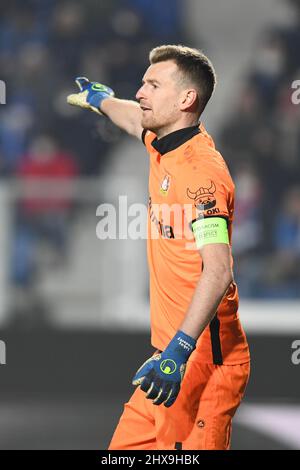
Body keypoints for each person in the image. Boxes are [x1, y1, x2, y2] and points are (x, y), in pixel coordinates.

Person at [67, 44, 250, 450]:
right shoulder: (161, 141)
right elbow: (133, 118)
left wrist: (179, 353)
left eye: (152, 84)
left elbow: (218, 272)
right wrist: (101, 100)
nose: (140, 92)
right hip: (165, 358)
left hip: (202, 362)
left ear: (186, 99)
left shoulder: (202, 174)